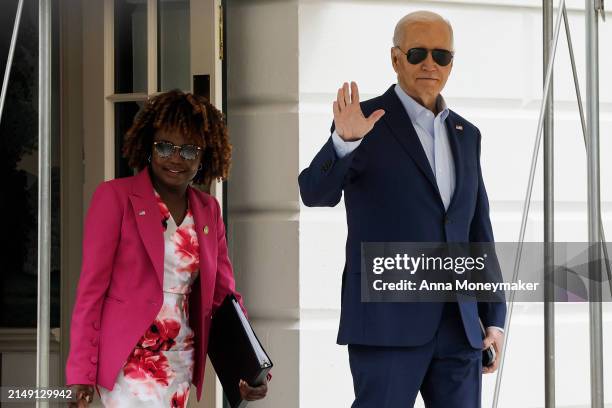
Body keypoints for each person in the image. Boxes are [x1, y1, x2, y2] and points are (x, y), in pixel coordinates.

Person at [298, 11, 505, 408]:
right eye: (417, 53)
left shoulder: (467, 135)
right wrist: (343, 142)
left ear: (451, 63)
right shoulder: (363, 122)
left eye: (441, 55)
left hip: (460, 328)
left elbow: (478, 230)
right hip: (386, 325)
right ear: (396, 59)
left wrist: (493, 315)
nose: (430, 64)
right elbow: (314, 192)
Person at [66, 90, 269, 407]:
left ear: (204, 157)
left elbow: (224, 298)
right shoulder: (114, 198)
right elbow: (90, 291)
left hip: (180, 362)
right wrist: (80, 371)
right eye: (164, 146)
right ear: (148, 146)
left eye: (189, 150)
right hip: (128, 363)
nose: (175, 158)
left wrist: (250, 367)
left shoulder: (208, 211)